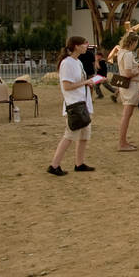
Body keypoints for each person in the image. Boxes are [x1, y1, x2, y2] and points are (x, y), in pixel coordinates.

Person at [48, 36, 97, 175]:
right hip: (74, 104)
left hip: (83, 103)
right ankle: (54, 165)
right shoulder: (67, 63)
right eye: (84, 44)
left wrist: (89, 82)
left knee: (84, 135)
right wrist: (86, 82)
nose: (86, 46)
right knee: (70, 135)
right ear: (76, 46)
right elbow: (67, 86)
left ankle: (79, 163)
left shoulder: (78, 62)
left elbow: (78, 82)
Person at [114, 32, 139, 151]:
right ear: (132, 42)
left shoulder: (121, 53)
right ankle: (122, 143)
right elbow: (128, 73)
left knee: (126, 115)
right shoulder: (127, 54)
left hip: (126, 87)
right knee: (126, 115)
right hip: (131, 87)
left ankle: (123, 141)